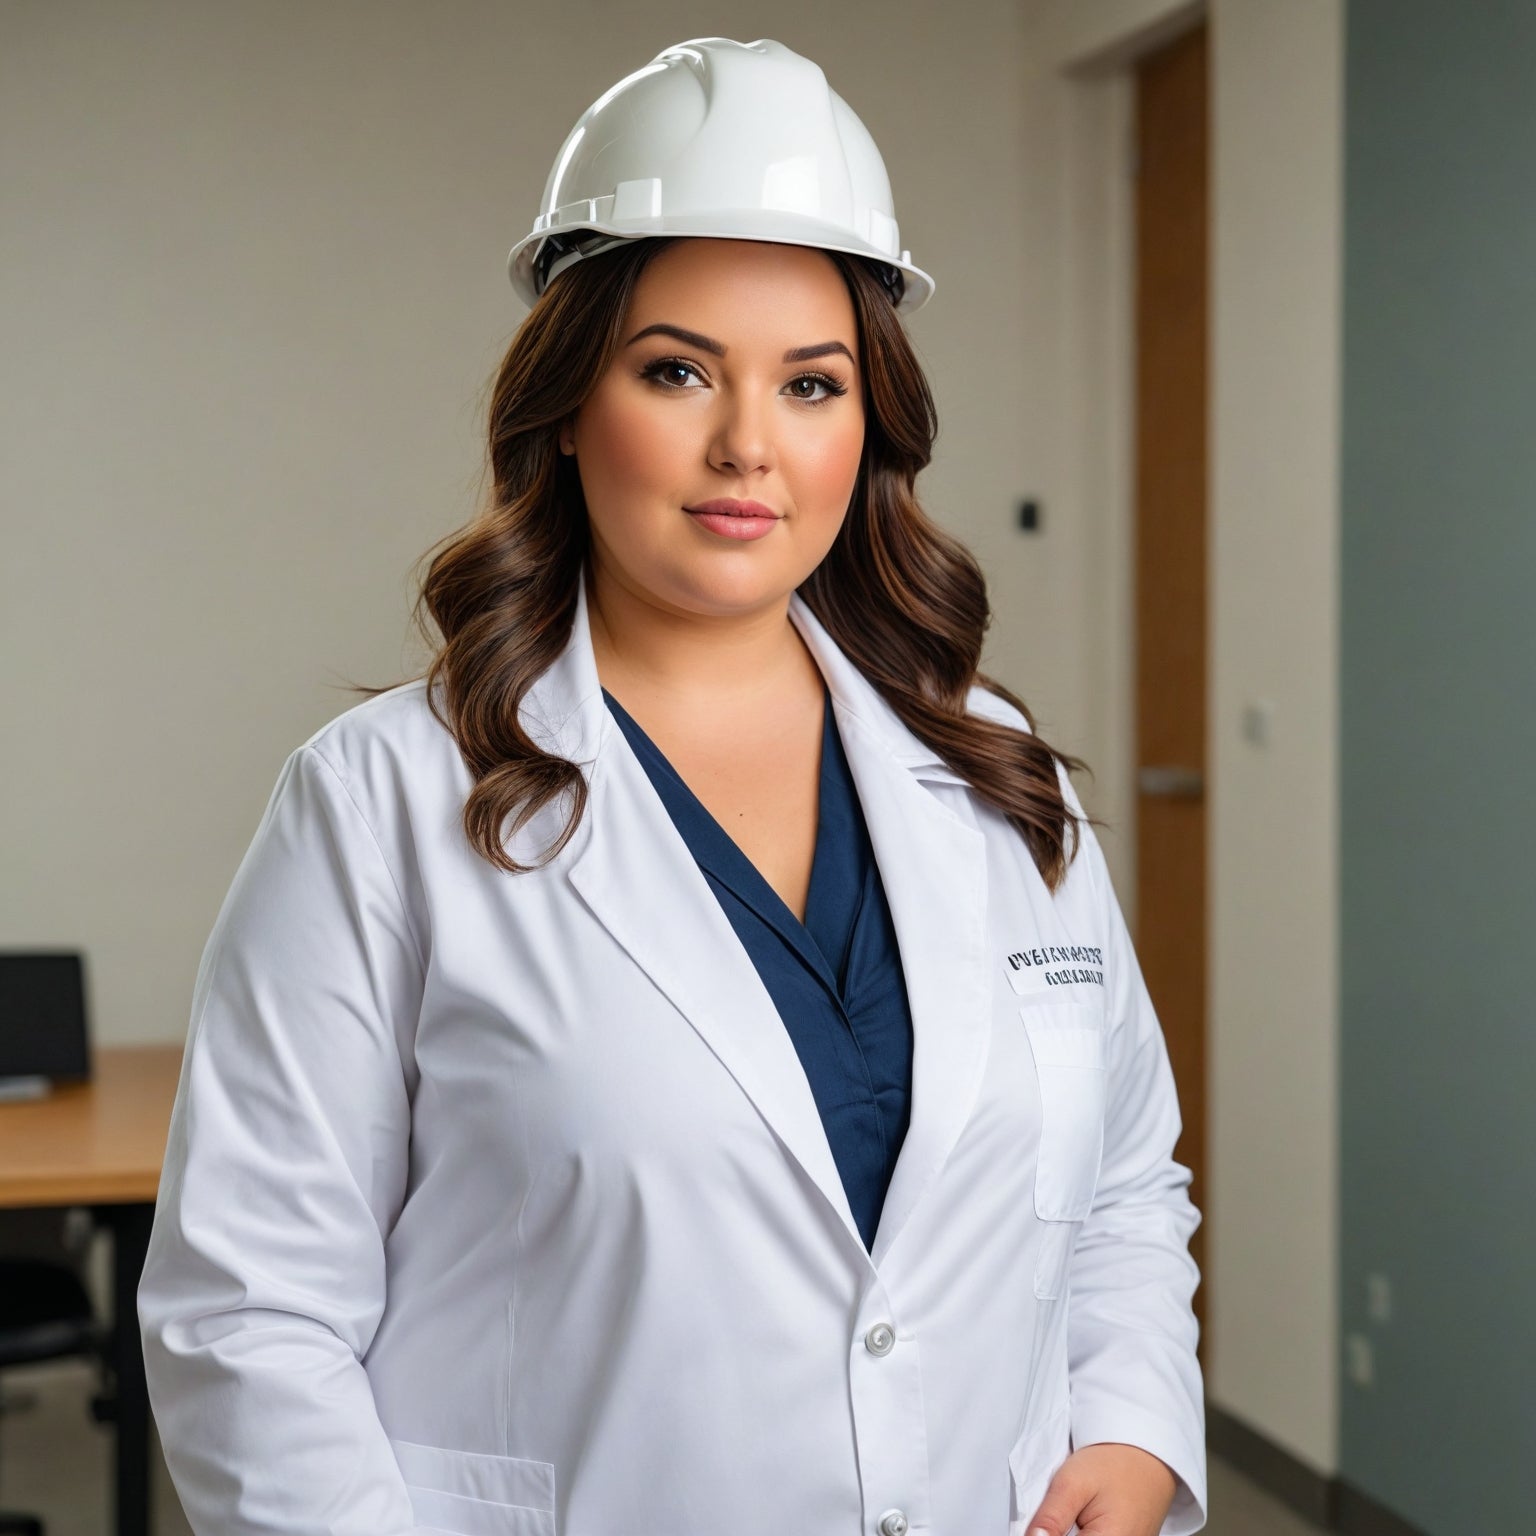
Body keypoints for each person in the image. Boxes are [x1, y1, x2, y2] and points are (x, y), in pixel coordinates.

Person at [137, 36, 1206, 1536]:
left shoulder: (988, 767)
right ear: (572, 403)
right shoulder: (379, 805)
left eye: (812, 384)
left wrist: (1137, 1426)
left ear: (868, 427)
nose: (747, 445)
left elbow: (1121, 1183)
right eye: (677, 369)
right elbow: (249, 1314)